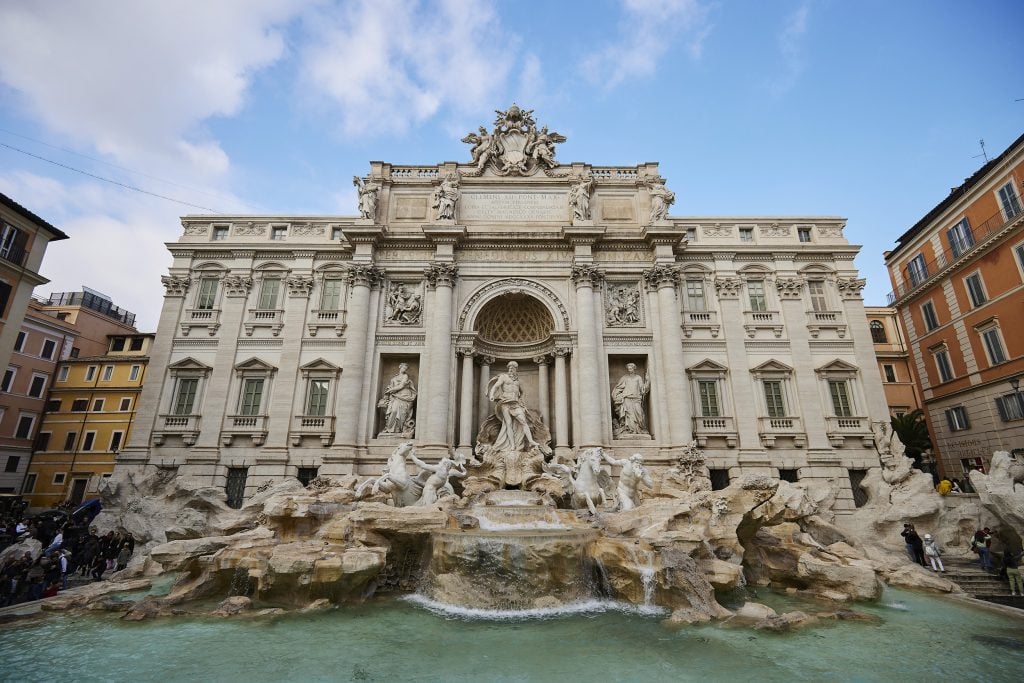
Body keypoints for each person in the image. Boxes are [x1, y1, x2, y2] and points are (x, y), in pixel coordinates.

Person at [488, 361, 540, 453]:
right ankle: (512, 445)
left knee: (523, 421)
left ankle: (531, 441)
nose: (511, 369)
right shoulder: (503, 377)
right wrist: (492, 395)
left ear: (516, 369)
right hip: (505, 403)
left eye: (513, 368)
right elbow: (495, 386)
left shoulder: (518, 381)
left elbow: (522, 392)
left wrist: (521, 401)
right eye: (509, 368)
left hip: (515, 404)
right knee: (508, 424)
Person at [377, 363, 417, 437]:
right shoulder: (393, 378)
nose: (404, 369)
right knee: (393, 411)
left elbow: (401, 386)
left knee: (402, 413)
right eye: (403, 368)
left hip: (404, 397)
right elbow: (390, 388)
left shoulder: (405, 376)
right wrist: (388, 392)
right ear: (400, 367)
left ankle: (398, 430)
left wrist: (391, 390)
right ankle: (390, 429)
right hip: (395, 397)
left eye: (406, 369)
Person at [611, 363, 650, 437]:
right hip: (627, 399)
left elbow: (642, 390)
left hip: (636, 399)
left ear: (634, 368)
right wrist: (616, 395)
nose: (629, 370)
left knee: (639, 414)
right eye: (628, 369)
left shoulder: (638, 378)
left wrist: (647, 381)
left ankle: (639, 429)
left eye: (631, 368)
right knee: (629, 415)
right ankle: (629, 430)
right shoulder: (624, 378)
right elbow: (618, 388)